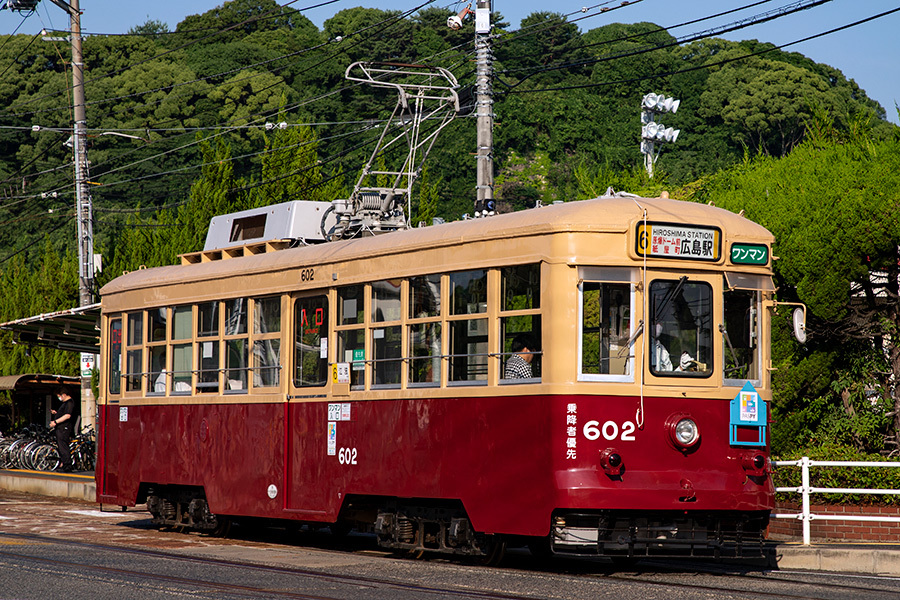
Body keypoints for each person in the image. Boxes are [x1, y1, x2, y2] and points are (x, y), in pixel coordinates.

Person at [49, 386, 75, 472]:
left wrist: (55, 422)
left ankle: (67, 466)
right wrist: (56, 413)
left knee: (63, 446)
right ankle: (64, 464)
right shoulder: (65, 403)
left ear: (63, 394)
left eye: (59, 396)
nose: (59, 398)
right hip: (61, 428)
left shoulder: (69, 403)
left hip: (64, 428)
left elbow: (67, 415)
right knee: (61, 446)